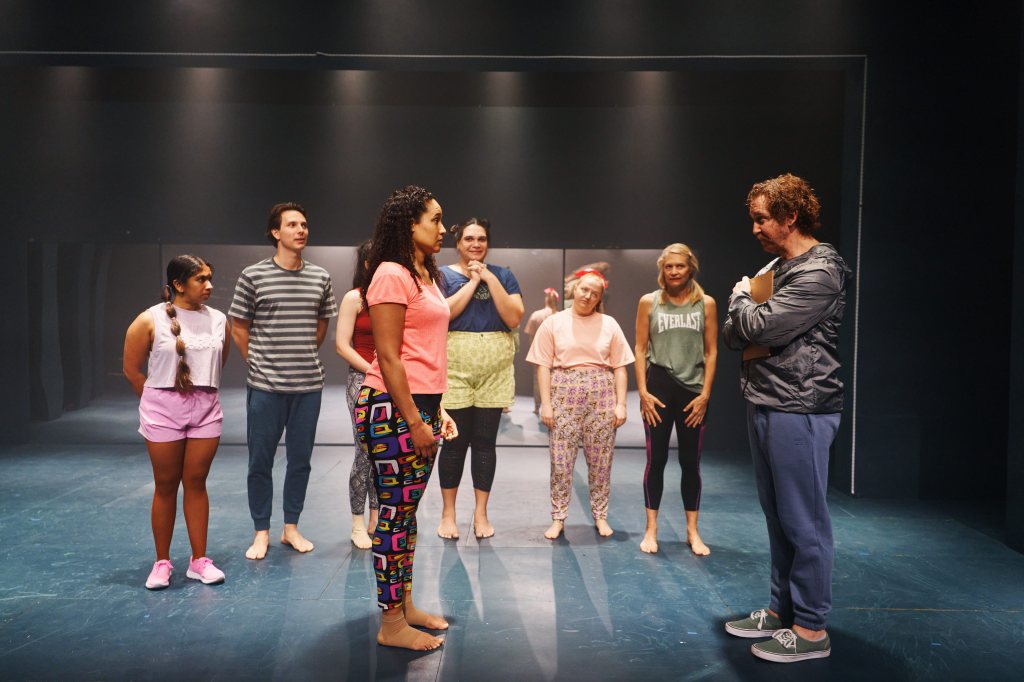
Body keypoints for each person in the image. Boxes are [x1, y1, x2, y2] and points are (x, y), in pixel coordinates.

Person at [722, 173, 849, 663]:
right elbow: (736, 336)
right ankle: (782, 611)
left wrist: (740, 298)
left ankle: (812, 629)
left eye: (761, 219)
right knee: (778, 516)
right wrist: (746, 314)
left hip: (802, 407)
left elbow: (760, 326)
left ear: (790, 216)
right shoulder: (777, 267)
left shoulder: (821, 271)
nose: (754, 228)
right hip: (768, 399)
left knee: (804, 520)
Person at [353, 185, 458, 651]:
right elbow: (390, 357)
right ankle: (391, 623)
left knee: (406, 514)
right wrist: (416, 421)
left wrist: (438, 410)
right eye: (435, 219)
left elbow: (424, 352)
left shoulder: (425, 274)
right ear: (410, 224)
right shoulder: (391, 274)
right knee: (394, 516)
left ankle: (405, 605)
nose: (443, 228)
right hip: (392, 408)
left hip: (420, 405)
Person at [229, 202, 338, 560]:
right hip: (265, 387)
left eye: (304, 224)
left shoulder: (320, 277)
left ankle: (291, 527)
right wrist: (259, 363)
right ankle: (261, 531)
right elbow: (239, 327)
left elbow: (321, 326)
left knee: (300, 461)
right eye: (292, 225)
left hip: (308, 387)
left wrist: (299, 355)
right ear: (276, 232)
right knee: (260, 462)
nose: (301, 230)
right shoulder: (253, 276)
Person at [123, 254, 230, 590]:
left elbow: (218, 362)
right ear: (178, 285)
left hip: (205, 406)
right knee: (166, 484)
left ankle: (199, 561)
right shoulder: (149, 319)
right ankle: (162, 562)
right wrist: (156, 402)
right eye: (201, 279)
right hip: (162, 407)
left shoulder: (218, 319)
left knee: (196, 482)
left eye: (210, 278)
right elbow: (131, 369)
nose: (209, 285)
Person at [526, 271, 634, 539]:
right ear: (575, 289)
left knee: (601, 461)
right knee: (560, 460)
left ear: (599, 299)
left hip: (601, 392)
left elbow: (620, 366)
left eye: (594, 293)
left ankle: (600, 516)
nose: (587, 296)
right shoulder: (553, 323)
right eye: (584, 290)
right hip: (564, 390)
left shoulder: (609, 324)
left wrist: (621, 404)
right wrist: (546, 404)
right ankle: (558, 517)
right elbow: (542, 366)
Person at [436, 218, 524, 540]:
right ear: (458, 242)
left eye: (482, 239)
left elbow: (513, 317)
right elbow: (443, 313)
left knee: (486, 443)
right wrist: (473, 282)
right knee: (454, 442)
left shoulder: (503, 275)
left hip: (494, 373)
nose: (476, 244)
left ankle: (481, 512)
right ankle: (448, 513)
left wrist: (487, 277)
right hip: (455, 369)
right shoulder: (442, 275)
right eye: (469, 238)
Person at [634, 244, 718, 556]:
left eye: (679, 266)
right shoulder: (649, 302)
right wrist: (642, 392)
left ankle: (692, 531)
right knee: (655, 460)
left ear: (690, 267)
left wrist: (705, 394)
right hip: (658, 388)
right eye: (668, 267)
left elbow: (711, 351)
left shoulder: (705, 303)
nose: (674, 272)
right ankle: (651, 529)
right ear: (662, 269)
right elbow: (640, 348)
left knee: (690, 462)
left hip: (692, 392)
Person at [335, 240, 379, 549]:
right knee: (364, 452)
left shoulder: (394, 297)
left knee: (384, 453)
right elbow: (342, 345)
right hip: (362, 379)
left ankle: (376, 516)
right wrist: (374, 370)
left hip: (391, 381)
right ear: (366, 264)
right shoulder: (355, 298)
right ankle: (357, 523)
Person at [523, 287, 560, 413]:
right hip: (556, 354)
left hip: (539, 353)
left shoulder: (536, 315)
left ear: (546, 299)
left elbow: (531, 336)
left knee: (538, 380)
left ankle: (537, 407)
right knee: (555, 379)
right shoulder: (559, 316)